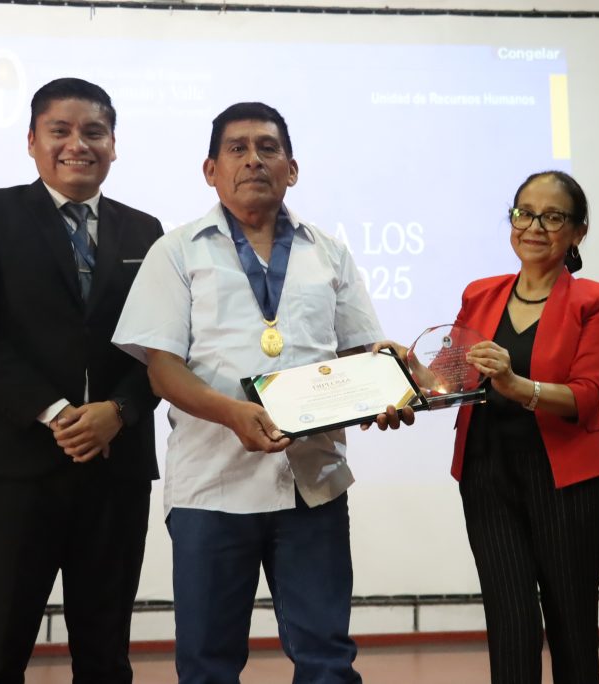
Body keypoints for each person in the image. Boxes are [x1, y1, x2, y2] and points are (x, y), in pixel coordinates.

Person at [112, 101, 412, 684]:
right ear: (211, 170)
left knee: (327, 660)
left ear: (291, 169)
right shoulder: (177, 251)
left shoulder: (329, 252)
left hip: (313, 484)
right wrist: (232, 413)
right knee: (208, 664)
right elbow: (163, 370)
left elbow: (361, 353)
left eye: (268, 148)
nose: (253, 159)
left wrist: (393, 386)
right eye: (237, 148)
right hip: (212, 486)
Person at [0, 77, 162, 683]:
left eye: (94, 132)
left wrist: (119, 410)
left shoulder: (145, 230)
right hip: (13, 466)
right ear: (32, 141)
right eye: (59, 131)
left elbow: (164, 346)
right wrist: (57, 410)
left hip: (116, 465)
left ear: (113, 144)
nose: (77, 144)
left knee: (106, 651)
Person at [450, 171, 599, 684]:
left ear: (578, 232)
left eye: (552, 217)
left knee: (571, 626)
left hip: (566, 481)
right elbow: (447, 377)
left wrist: (516, 384)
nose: (534, 227)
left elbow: (586, 397)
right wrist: (394, 371)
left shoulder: (594, 300)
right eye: (524, 213)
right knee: (511, 624)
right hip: (487, 475)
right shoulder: (480, 294)